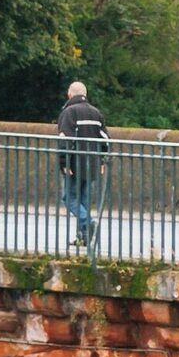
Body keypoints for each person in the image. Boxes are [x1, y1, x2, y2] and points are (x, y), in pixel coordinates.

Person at [55, 79, 107, 249]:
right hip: (92, 162)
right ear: (85, 94)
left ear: (69, 94)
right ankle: (84, 237)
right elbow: (105, 139)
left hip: (75, 162)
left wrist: (64, 161)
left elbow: (65, 140)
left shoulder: (69, 112)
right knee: (83, 199)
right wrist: (102, 159)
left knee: (69, 197)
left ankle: (88, 223)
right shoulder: (96, 113)